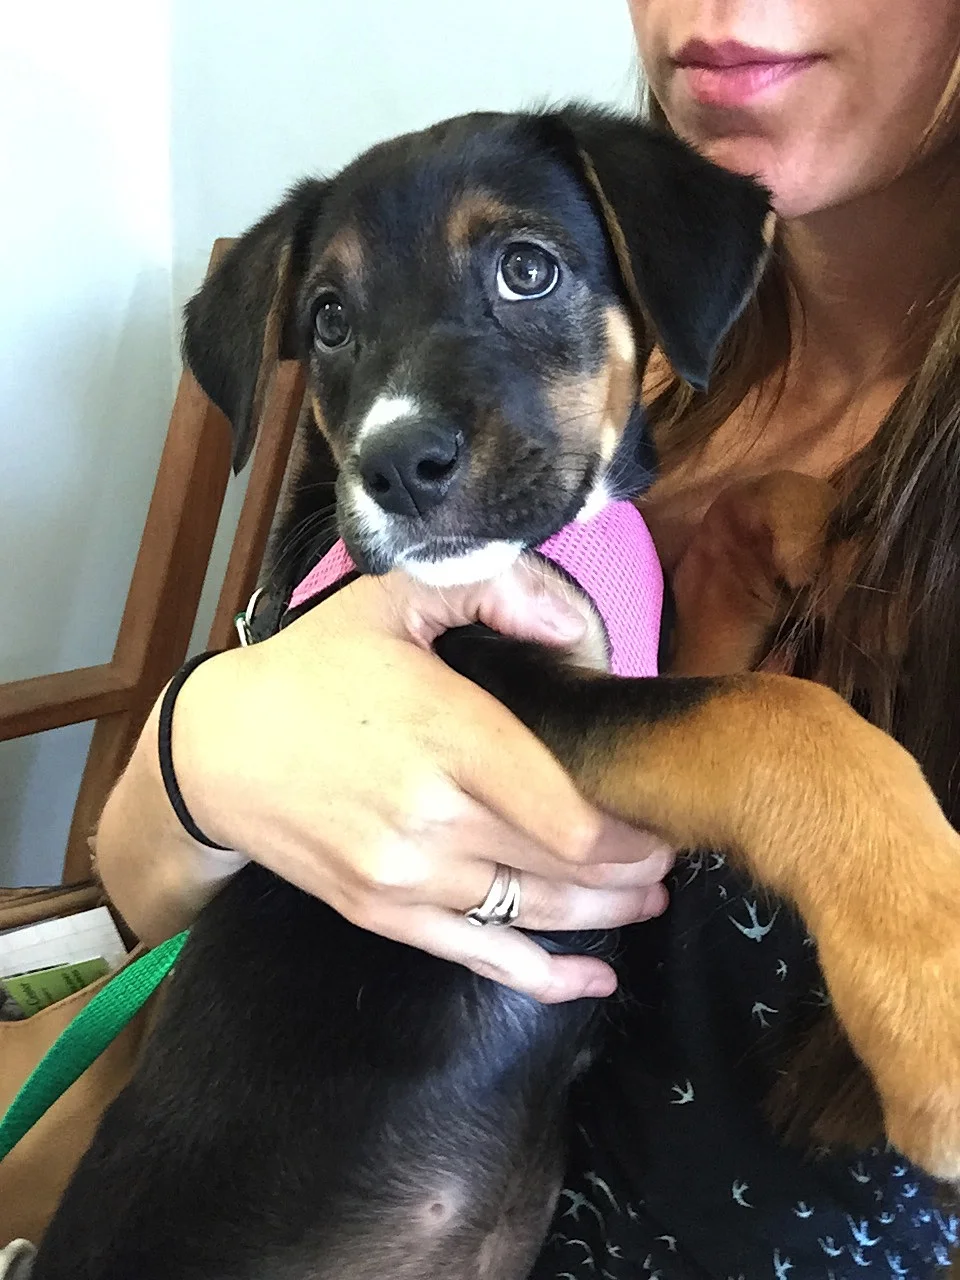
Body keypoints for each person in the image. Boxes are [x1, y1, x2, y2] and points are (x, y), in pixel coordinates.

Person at [93, 1, 960, 1275]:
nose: (721, 13)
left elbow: (618, 750)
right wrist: (196, 749)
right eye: (333, 323)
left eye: (523, 272)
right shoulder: (623, 390)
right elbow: (144, 892)